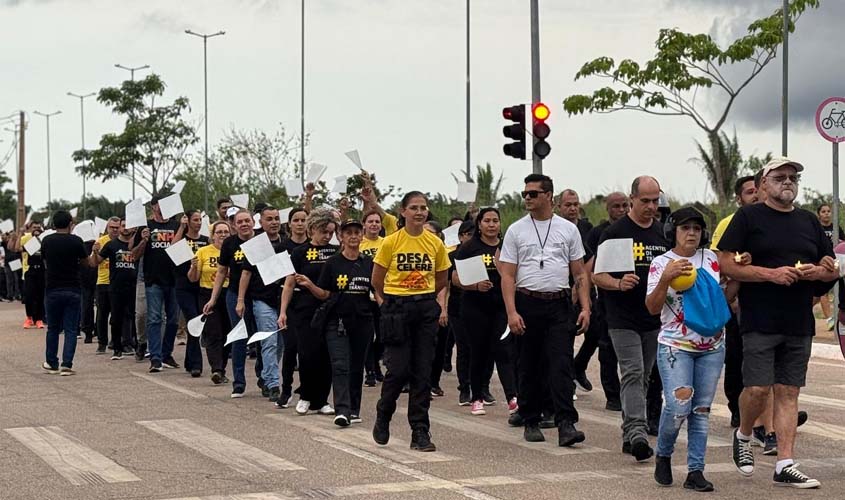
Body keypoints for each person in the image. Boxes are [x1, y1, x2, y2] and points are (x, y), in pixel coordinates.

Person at [719, 157, 836, 488]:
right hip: (759, 318)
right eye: (781, 176)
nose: (788, 181)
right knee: (757, 388)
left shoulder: (809, 221)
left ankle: (785, 461)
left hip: (798, 320)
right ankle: (744, 434)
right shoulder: (748, 217)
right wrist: (769, 274)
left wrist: (822, 271)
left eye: (793, 176)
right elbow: (726, 263)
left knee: (788, 390)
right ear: (763, 185)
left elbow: (829, 268)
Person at [499, 174, 591, 447]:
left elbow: (580, 273)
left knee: (561, 364)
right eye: (525, 193)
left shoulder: (567, 230)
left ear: (549, 196)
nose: (527, 198)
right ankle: (530, 418)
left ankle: (566, 423)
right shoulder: (516, 230)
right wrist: (511, 312)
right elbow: (507, 276)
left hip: (559, 305)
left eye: (533, 193)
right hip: (528, 303)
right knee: (528, 364)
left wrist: (585, 307)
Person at [646, 207, 728, 492]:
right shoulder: (661, 263)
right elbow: (653, 307)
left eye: (696, 228)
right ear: (673, 232)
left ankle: (695, 471)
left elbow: (717, 296)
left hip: (712, 346)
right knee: (679, 405)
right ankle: (664, 453)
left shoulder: (711, 260)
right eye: (685, 228)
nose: (691, 233)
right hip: (675, 346)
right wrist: (667, 277)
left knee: (701, 410)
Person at [593, 176, 669, 461]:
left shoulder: (663, 233)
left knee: (645, 376)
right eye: (645, 201)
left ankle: (630, 432)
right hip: (622, 317)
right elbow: (597, 275)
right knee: (633, 371)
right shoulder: (616, 233)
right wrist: (617, 283)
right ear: (633, 199)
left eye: (655, 200)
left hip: (653, 317)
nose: (651, 206)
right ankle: (637, 431)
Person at [371, 191, 450, 452]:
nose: (419, 212)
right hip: (396, 308)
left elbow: (441, 277)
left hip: (425, 308)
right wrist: (391, 302)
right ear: (403, 212)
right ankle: (384, 414)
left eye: (423, 207)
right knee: (398, 369)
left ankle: (420, 431)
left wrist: (425, 297)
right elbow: (377, 280)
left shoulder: (435, 243)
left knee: (422, 372)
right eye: (414, 208)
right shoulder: (391, 242)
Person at [308, 219, 376, 426]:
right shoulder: (333, 263)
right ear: (342, 237)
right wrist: (309, 285)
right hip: (336, 321)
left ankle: (354, 408)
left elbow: (376, 290)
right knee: (340, 365)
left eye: (357, 232)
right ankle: (342, 410)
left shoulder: (368, 263)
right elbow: (324, 293)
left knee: (356, 366)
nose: (353, 236)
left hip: (362, 321)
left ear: (362, 235)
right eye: (349, 233)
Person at [453, 207, 518, 416]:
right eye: (487, 221)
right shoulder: (469, 247)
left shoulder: (507, 247)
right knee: (478, 352)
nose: (491, 225)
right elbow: (455, 277)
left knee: (503, 350)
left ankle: (512, 397)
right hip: (474, 307)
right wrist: (474, 286)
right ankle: (477, 397)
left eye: (495, 221)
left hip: (500, 307)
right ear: (479, 224)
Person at [279, 207, 339, 415]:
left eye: (331, 232)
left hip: (329, 308)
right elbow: (288, 283)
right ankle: (305, 395)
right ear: (312, 229)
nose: (327, 236)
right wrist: (283, 311)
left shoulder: (335, 251)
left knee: (326, 354)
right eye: (324, 231)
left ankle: (321, 400)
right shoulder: (299, 252)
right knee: (306, 353)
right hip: (304, 309)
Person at [710, 176, 757, 429]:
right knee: (737, 358)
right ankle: (737, 408)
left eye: (756, 190)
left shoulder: (772, 220)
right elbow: (718, 261)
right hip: (738, 302)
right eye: (749, 192)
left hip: (768, 303)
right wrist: (733, 297)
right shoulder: (729, 223)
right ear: (739, 198)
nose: (755, 196)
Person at [580, 192, 627, 410]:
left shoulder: (635, 231)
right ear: (607, 209)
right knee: (607, 349)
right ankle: (613, 396)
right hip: (607, 299)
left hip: (634, 300)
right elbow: (587, 267)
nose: (621, 210)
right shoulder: (599, 233)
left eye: (625, 205)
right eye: (616, 206)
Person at [203, 209, 254, 397]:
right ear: (234, 225)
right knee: (239, 338)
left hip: (259, 295)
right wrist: (213, 299)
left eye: (247, 220)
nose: (244, 224)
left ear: (253, 222)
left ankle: (265, 378)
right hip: (234, 295)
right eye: (239, 222)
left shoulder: (261, 241)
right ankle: (239, 382)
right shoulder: (229, 244)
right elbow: (222, 272)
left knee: (261, 338)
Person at [238, 206, 285, 403]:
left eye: (276, 218)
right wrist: (240, 299)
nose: (274, 222)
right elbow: (246, 273)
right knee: (269, 341)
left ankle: (266, 376)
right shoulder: (256, 244)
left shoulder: (287, 243)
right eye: (269, 219)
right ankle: (273, 384)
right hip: (262, 299)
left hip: (283, 301)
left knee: (280, 344)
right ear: (262, 222)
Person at [134, 195, 185, 373]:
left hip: (174, 279)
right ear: (153, 206)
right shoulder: (145, 227)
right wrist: (144, 240)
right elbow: (134, 254)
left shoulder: (177, 226)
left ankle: (166, 353)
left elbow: (179, 248)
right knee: (154, 318)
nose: (162, 208)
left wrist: (184, 226)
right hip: (153, 279)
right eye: (158, 205)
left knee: (172, 320)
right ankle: (155, 357)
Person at [40, 211, 88, 376]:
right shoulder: (76, 241)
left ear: (53, 224)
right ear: (70, 223)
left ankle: (52, 362)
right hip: (73, 288)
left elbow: (45, 261)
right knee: (70, 329)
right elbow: (85, 262)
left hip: (52, 288)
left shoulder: (47, 241)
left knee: (53, 328)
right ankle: (66, 364)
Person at [91, 219, 141, 360]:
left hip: (134, 286)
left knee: (133, 317)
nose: (125, 229)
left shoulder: (136, 246)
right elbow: (96, 262)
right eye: (123, 226)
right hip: (115, 287)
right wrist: (95, 252)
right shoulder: (111, 245)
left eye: (128, 226)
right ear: (119, 228)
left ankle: (134, 345)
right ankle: (117, 348)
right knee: (116, 318)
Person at [189, 220, 231, 384]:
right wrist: (193, 267)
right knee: (214, 332)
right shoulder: (203, 252)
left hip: (228, 293)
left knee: (227, 334)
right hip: (207, 294)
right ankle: (216, 369)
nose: (222, 235)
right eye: (219, 232)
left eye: (225, 232)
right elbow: (193, 278)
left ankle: (222, 368)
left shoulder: (234, 250)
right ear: (213, 236)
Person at [173, 210, 209, 377]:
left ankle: (189, 360)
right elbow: (173, 248)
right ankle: (196, 364)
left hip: (200, 287)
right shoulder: (183, 240)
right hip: (184, 287)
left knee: (196, 323)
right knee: (194, 321)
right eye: (195, 220)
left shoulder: (204, 240)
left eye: (200, 220)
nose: (198, 223)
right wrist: (181, 227)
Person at [279, 207, 309, 405]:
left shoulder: (313, 246)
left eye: (303, 220)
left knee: (307, 349)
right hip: (288, 300)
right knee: (290, 347)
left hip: (309, 301)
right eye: (295, 220)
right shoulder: (282, 247)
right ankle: (286, 389)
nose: (299, 223)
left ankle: (306, 390)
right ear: (289, 224)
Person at [447, 220, 475, 405]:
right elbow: (447, 284)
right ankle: (464, 388)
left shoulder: (481, 254)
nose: (471, 238)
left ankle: (482, 387)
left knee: (482, 349)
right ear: (460, 236)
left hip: (480, 308)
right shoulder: (452, 256)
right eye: (468, 235)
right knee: (463, 348)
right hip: (457, 308)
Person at [360, 210, 386, 387]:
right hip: (364, 294)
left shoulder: (386, 243)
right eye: (371, 221)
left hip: (383, 293)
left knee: (383, 335)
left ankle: (376, 364)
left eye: (377, 221)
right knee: (368, 335)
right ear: (364, 224)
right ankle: (369, 371)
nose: (374, 224)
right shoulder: (359, 243)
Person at [92, 218, 121, 353]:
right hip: (103, 282)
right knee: (102, 315)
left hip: (118, 282)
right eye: (112, 227)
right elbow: (94, 263)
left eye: (117, 227)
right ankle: (101, 342)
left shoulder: (124, 241)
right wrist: (95, 252)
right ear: (107, 228)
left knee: (117, 315)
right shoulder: (101, 241)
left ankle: (115, 342)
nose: (115, 230)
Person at [815, 203, 844, 330]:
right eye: (823, 211)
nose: (826, 213)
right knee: (823, 291)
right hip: (822, 263)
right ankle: (829, 320)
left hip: (836, 262)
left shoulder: (836, 228)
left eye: (828, 211)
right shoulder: (817, 228)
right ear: (819, 214)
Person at [19, 225, 45, 329]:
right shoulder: (30, 242)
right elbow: (18, 249)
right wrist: (20, 235)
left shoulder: (44, 241)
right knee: (29, 295)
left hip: (41, 271)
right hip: (30, 270)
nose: (36, 230)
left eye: (38, 228)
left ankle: (38, 319)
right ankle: (29, 318)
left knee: (40, 295)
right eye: (34, 228)